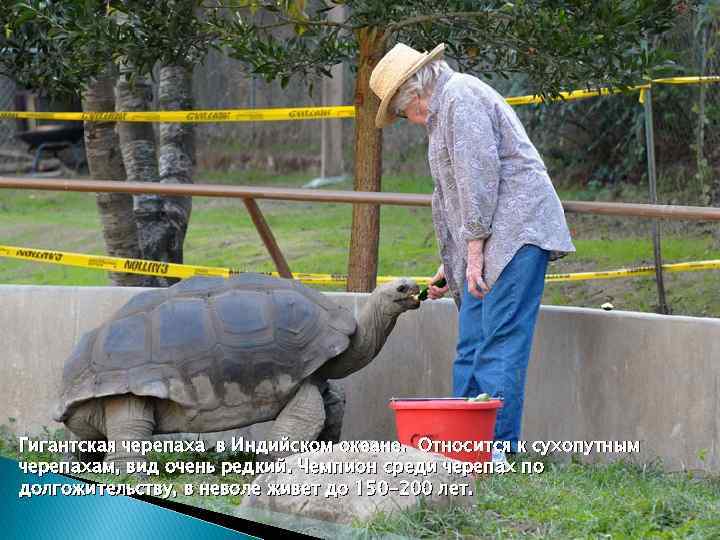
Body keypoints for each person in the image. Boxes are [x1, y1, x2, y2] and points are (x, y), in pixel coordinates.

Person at [369, 43, 575, 463]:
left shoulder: (460, 97)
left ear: (415, 94)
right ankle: (459, 450)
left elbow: (478, 177)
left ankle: (493, 453)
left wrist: (474, 252)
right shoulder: (443, 111)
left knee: (498, 343)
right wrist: (453, 262)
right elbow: (454, 194)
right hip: (489, 240)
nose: (406, 119)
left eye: (401, 111)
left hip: (516, 235)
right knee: (471, 344)